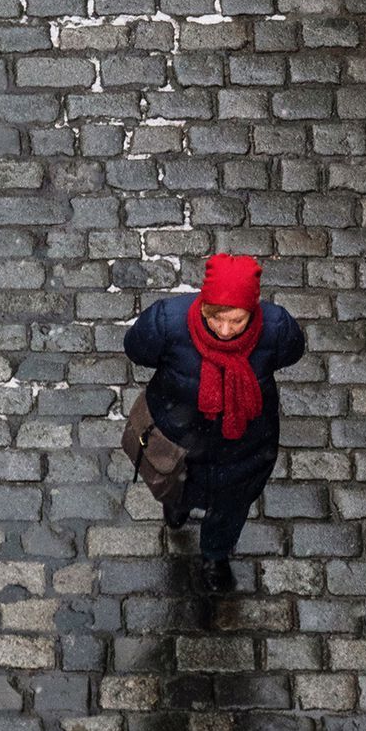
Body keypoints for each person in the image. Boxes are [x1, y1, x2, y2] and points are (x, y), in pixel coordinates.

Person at [123, 252, 306, 593]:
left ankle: (215, 556)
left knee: (230, 509)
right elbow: (137, 349)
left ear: (252, 310)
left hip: (244, 448)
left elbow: (292, 352)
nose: (224, 330)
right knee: (174, 485)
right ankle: (175, 507)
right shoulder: (167, 322)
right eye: (216, 318)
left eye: (236, 321)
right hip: (178, 442)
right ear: (204, 305)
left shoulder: (276, 329)